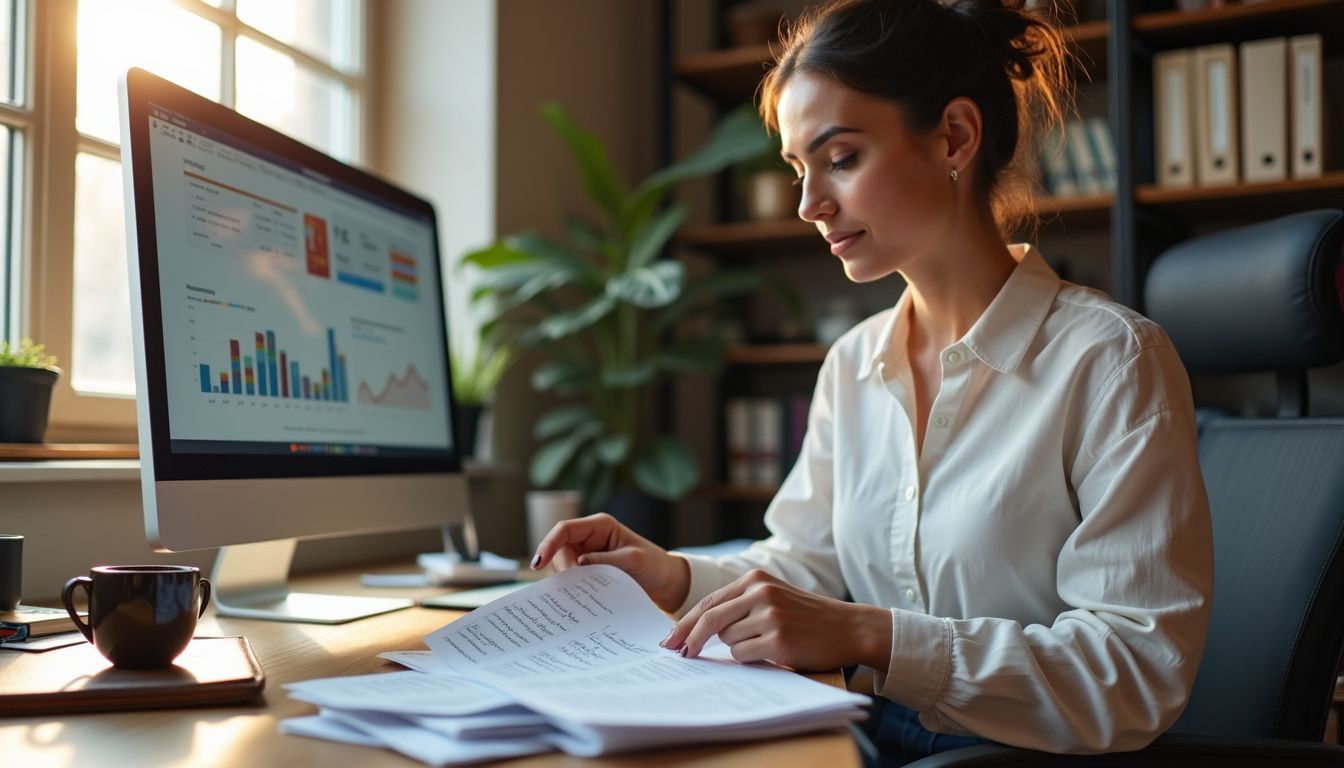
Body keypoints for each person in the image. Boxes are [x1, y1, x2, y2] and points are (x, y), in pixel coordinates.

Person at [531, 0, 1214, 762]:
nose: (808, 205)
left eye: (842, 158)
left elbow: (1134, 673)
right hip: (864, 728)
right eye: (798, 169)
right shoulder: (853, 364)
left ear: (955, 137)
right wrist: (672, 576)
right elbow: (803, 567)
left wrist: (872, 635)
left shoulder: (1111, 362)